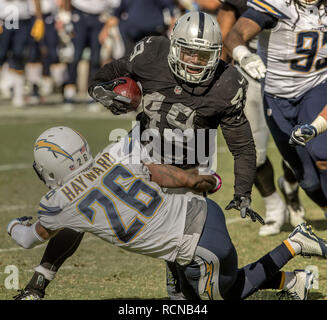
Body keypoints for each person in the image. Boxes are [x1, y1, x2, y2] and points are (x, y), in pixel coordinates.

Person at [12, 11, 260, 301]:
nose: (193, 61)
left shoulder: (227, 83)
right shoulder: (153, 52)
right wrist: (104, 93)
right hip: (138, 149)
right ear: (175, 45)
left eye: (203, 56)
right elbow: (107, 74)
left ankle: (180, 285)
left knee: (179, 245)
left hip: (189, 165)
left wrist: (243, 191)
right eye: (189, 53)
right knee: (82, 198)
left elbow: (242, 145)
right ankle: (38, 284)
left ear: (217, 56)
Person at [8, 126, 327, 300]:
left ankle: (295, 244)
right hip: (200, 209)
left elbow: (25, 239)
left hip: (197, 248)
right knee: (187, 294)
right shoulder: (117, 150)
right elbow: (155, 152)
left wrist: (13, 224)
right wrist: (199, 179)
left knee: (221, 298)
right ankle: (294, 282)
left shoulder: (59, 204)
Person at [224, 0, 327, 219]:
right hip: (276, 96)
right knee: (305, 176)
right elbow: (234, 35)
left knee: (322, 152)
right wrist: (243, 54)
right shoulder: (278, 5)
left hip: (316, 86)